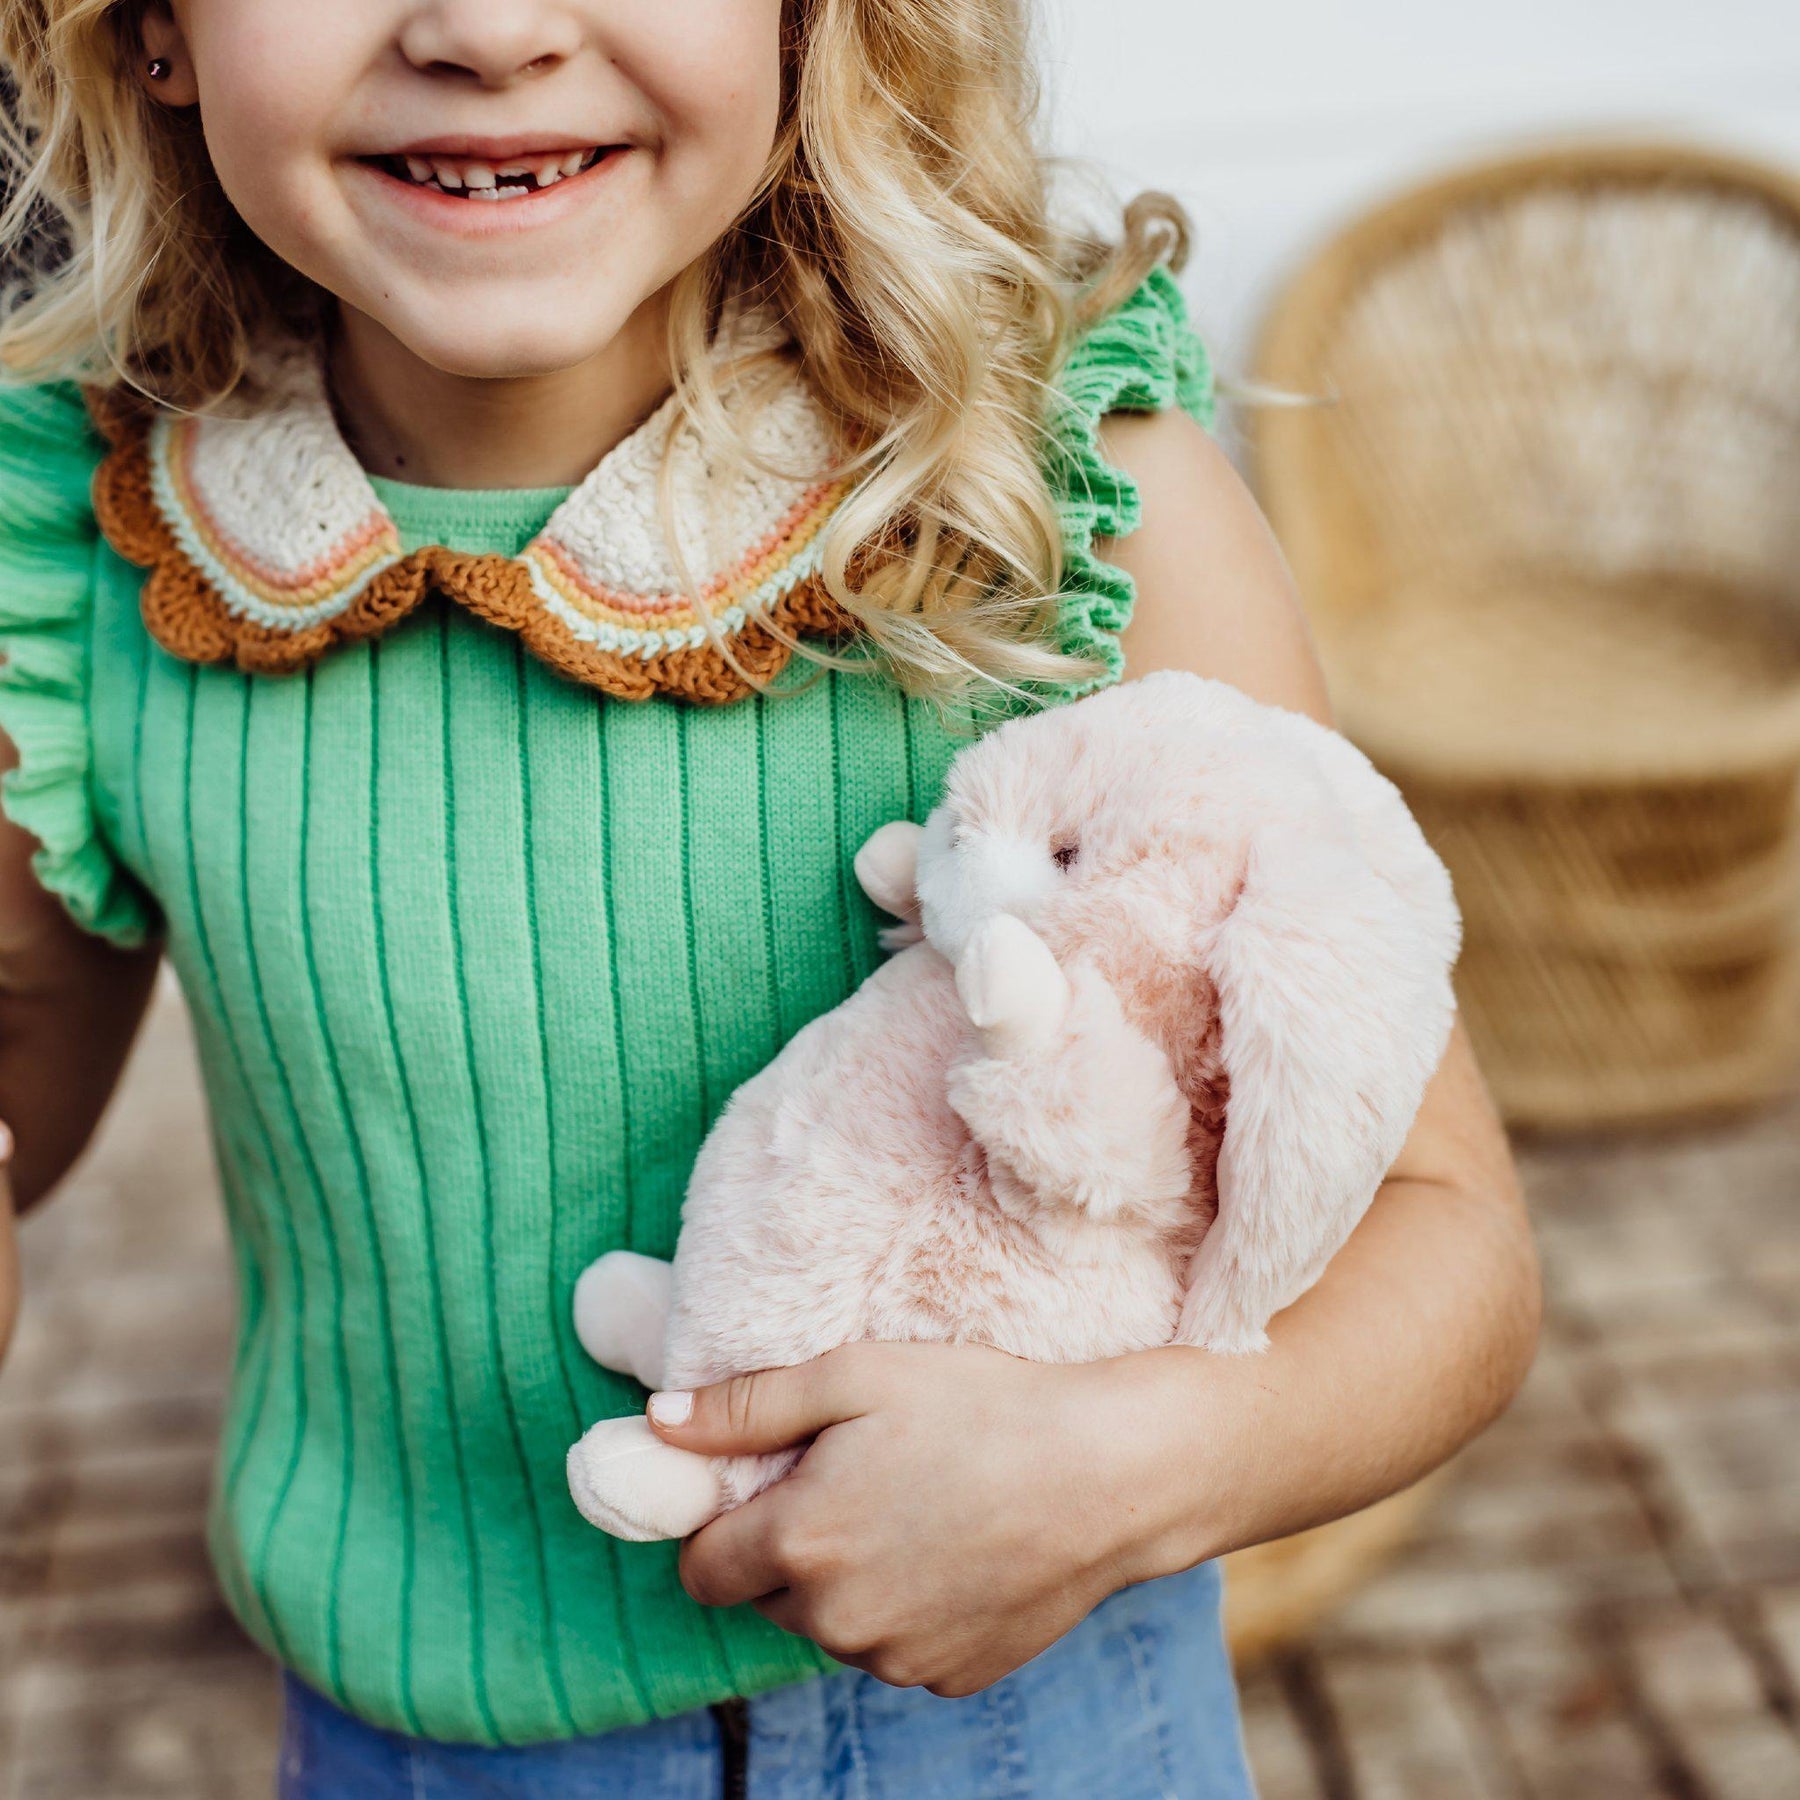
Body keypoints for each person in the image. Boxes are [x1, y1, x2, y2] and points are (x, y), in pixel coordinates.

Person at [0, 2, 1539, 1794]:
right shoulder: (87, 549)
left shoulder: (1066, 508)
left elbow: (1456, 1238)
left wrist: (1133, 1462)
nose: (490, 32)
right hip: (414, 1746)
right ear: (155, 29)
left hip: (1030, 1736)